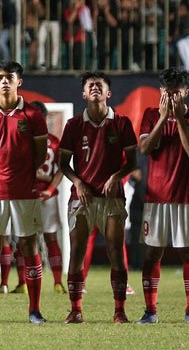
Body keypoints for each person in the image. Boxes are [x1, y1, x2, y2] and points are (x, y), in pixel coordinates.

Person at [0, 60, 49, 324]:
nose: (5, 81)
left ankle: (34, 310)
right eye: (0, 77)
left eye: (9, 77)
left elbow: (40, 156)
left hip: (25, 192)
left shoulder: (33, 116)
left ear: (19, 82)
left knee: (28, 245)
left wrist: (21, 175)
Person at [59, 72, 137, 324]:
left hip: (112, 199)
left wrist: (117, 177)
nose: (94, 87)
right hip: (82, 199)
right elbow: (63, 163)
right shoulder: (73, 125)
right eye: (89, 85)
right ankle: (76, 310)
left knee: (115, 251)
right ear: (83, 94)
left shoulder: (122, 123)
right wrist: (78, 182)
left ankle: (119, 311)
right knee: (77, 253)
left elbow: (133, 162)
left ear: (108, 93)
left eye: (99, 85)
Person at [137, 67, 189, 324]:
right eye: (167, 92)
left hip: (183, 196)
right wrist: (162, 118)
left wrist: (177, 119)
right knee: (153, 253)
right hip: (155, 198)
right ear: (160, 92)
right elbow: (145, 148)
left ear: (186, 93)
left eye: (176, 93)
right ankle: (150, 311)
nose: (171, 97)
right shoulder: (149, 115)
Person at [30, 100, 66, 295]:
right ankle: (58, 282)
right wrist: (51, 188)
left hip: (28, 194)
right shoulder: (54, 140)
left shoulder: (25, 139)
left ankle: (27, 283)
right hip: (48, 196)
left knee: (27, 239)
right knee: (51, 238)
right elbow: (62, 169)